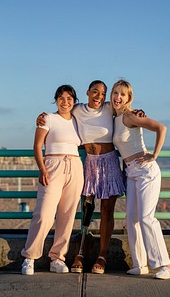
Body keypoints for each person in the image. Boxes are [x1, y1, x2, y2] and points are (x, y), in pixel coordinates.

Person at [37, 80, 144, 274]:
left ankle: (102, 257)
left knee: (106, 210)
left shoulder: (109, 108)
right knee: (86, 208)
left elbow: (124, 109)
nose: (99, 96)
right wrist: (43, 116)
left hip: (109, 162)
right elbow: (62, 111)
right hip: (89, 163)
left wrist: (138, 112)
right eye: (95, 92)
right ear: (87, 92)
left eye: (103, 94)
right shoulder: (77, 109)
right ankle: (80, 253)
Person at [111, 79, 170, 280]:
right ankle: (140, 264)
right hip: (131, 173)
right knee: (131, 219)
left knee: (147, 217)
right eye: (115, 93)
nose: (117, 97)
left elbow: (161, 128)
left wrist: (154, 155)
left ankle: (165, 265)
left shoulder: (130, 116)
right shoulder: (114, 116)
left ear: (129, 98)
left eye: (122, 94)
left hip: (146, 171)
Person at [21, 85, 84, 275]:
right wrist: (42, 169)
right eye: (61, 98)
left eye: (69, 98)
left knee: (67, 215)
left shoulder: (78, 120)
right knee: (44, 213)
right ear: (56, 100)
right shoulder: (47, 118)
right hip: (52, 166)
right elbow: (37, 145)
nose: (65, 102)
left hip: (75, 166)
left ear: (74, 100)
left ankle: (57, 258)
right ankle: (29, 257)